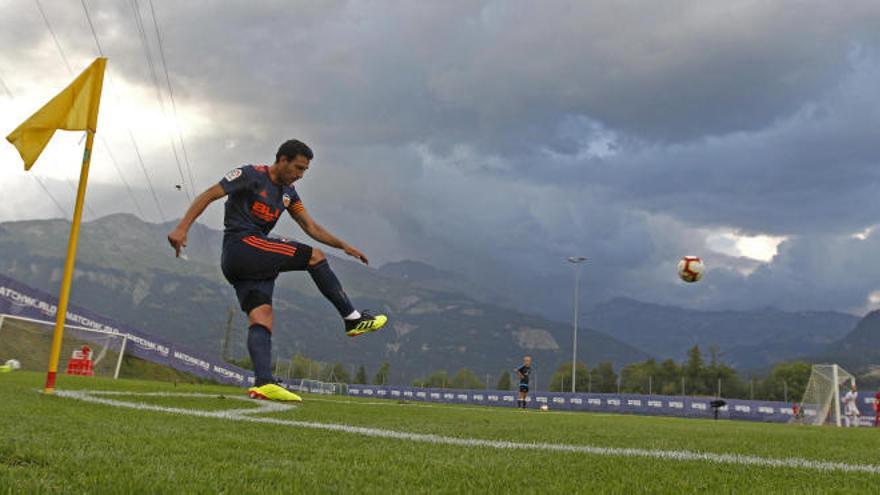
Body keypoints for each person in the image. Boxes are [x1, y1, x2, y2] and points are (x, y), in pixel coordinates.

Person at [167, 139, 388, 402]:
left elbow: (311, 227)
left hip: (249, 264)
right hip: (242, 246)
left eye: (305, 170)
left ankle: (263, 382)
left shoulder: (289, 193)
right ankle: (353, 319)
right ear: (282, 160)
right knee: (313, 257)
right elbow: (209, 194)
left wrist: (344, 246)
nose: (300, 175)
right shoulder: (250, 175)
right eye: (298, 167)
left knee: (262, 317)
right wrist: (182, 227)